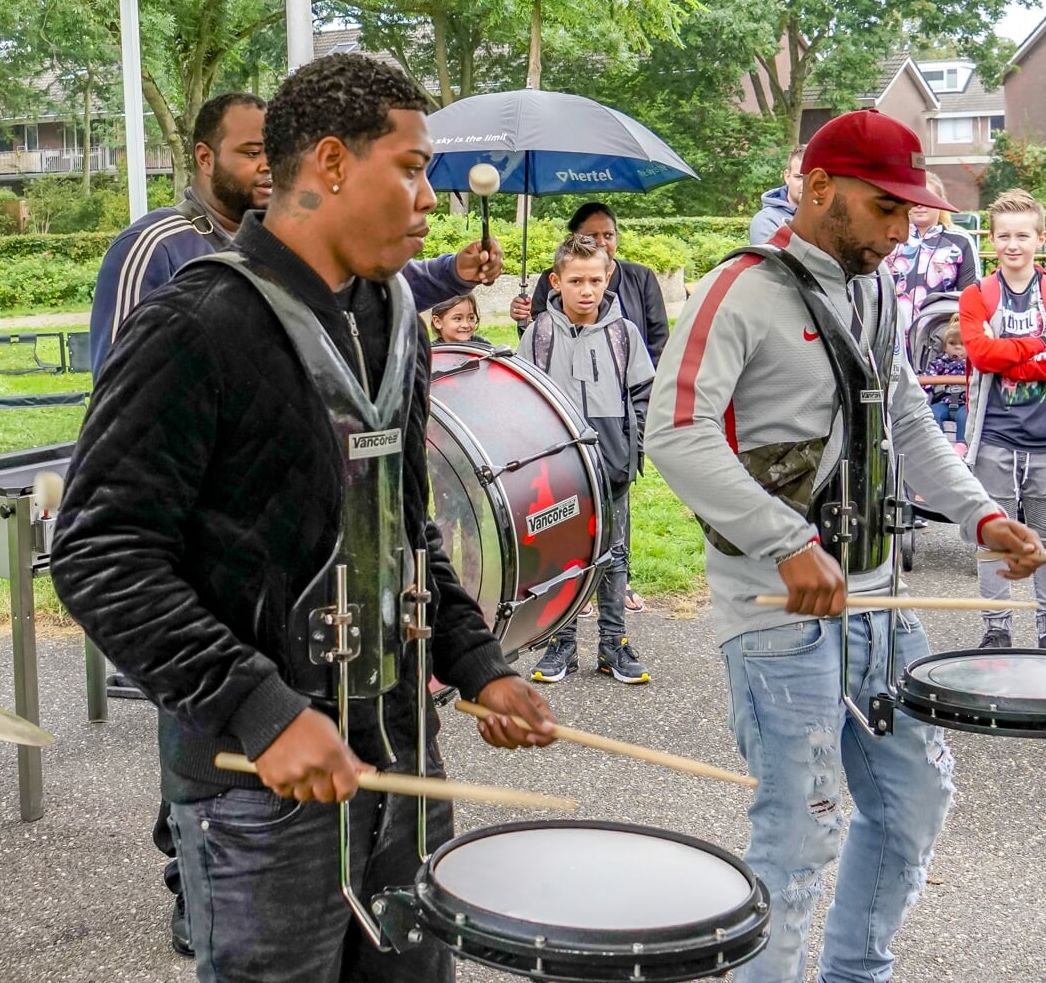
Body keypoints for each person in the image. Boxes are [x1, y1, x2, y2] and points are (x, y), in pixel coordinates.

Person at [52, 53, 558, 983]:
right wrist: (259, 707)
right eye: (410, 168)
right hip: (259, 794)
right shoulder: (195, 321)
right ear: (330, 163)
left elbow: (404, 526)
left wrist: (476, 662)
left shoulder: (393, 311)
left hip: (403, 753)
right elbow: (96, 550)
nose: (429, 199)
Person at [645, 108, 1045, 983]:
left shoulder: (873, 288)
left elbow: (904, 416)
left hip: (881, 602)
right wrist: (786, 540)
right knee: (798, 837)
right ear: (819, 190)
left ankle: (856, 973)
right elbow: (675, 433)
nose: (902, 233)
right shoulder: (739, 292)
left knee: (910, 805)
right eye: (885, 210)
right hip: (778, 614)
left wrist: (979, 515)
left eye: (909, 214)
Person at [88, 93, 504, 375]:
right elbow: (119, 386)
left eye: (277, 152)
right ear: (204, 158)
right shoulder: (154, 246)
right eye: (252, 153)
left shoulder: (288, 241)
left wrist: (455, 271)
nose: (269, 165)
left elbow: (372, 289)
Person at [520, 234, 656, 685]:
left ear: (608, 277)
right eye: (575, 280)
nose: (586, 290)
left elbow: (643, 392)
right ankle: (560, 644)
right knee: (562, 554)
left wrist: (629, 444)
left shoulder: (623, 334)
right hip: (556, 468)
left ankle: (613, 644)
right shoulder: (537, 335)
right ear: (555, 281)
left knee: (615, 556)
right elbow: (521, 400)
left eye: (595, 280)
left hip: (612, 464)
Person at [958, 188, 1046, 652]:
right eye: (1005, 236)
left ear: (1040, 238)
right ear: (991, 240)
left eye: (1023, 235)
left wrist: (1011, 355)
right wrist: (1037, 345)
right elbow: (979, 353)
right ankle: (997, 626)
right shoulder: (977, 295)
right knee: (994, 530)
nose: (1014, 245)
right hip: (995, 435)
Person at [512, 201, 669, 361]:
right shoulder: (552, 277)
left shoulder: (642, 277)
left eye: (608, 235)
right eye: (592, 236)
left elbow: (659, 341)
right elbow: (539, 341)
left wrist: (649, 383)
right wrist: (523, 319)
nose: (601, 242)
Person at [885, 172, 979, 335]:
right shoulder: (890, 237)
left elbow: (971, 296)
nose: (920, 204)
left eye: (927, 197)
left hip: (939, 338)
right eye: (915, 197)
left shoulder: (960, 241)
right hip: (893, 337)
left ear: (940, 201)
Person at [748, 146, 805, 245]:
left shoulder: (830, 216)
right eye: (799, 177)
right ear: (787, 177)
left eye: (811, 178)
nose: (805, 184)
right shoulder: (766, 220)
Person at [921, 320, 968, 438]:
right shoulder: (940, 362)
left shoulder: (974, 364)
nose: (957, 347)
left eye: (962, 344)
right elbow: (928, 378)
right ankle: (939, 443)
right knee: (931, 414)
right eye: (952, 343)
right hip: (944, 401)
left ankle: (962, 445)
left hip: (966, 403)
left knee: (967, 417)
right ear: (945, 347)